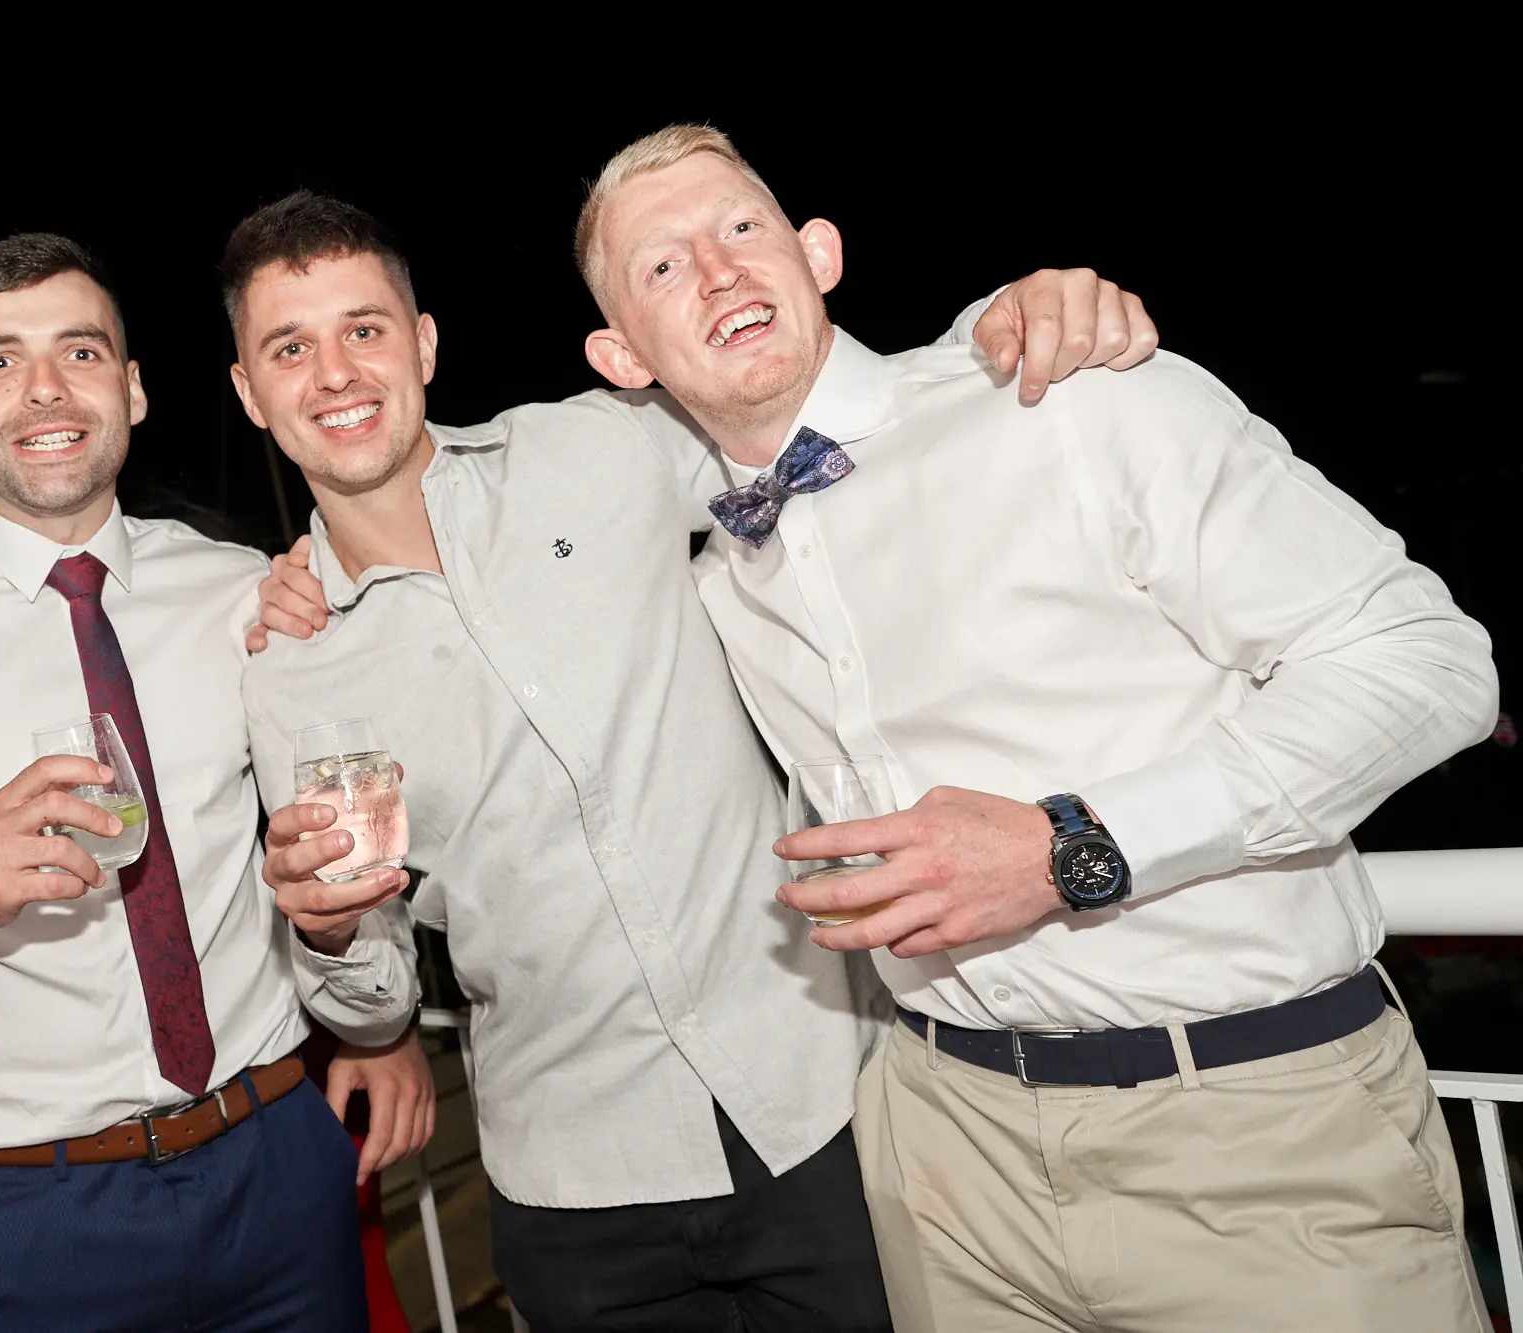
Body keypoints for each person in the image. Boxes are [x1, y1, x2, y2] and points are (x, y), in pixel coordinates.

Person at [576, 125, 1500, 1332]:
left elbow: (1428, 664)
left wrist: (1078, 842)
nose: (714, 271)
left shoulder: (1065, 402)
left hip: (1251, 1129)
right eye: (660, 266)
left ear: (817, 252)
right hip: (942, 1158)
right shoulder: (717, 570)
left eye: (740, 228)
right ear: (621, 356)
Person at [234, 189, 1151, 1332]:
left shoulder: (597, 449)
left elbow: (814, 411)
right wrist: (325, 930)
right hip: (574, 1190)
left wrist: (1003, 322)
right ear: (248, 389)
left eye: (363, 328)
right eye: (289, 345)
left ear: (420, 343)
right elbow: (369, 982)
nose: (334, 372)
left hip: (823, 1105)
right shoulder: (290, 661)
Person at [0, 232, 428, 1332]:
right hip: (26, 1215)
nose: (43, 390)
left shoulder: (245, 591)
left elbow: (340, 857)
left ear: (133, 390)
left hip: (279, 1167)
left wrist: (386, 1029)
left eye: (80, 353)